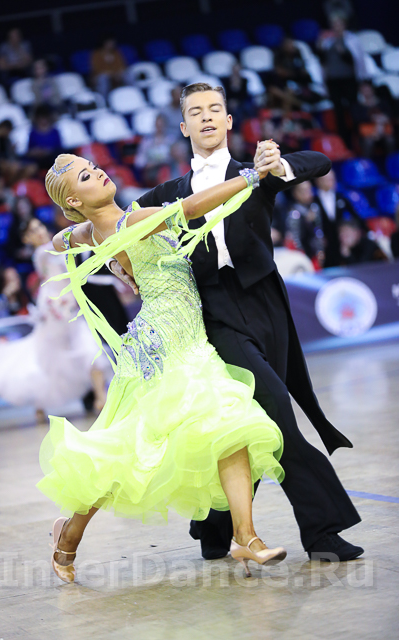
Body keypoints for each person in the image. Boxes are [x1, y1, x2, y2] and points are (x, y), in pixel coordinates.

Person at [114, 82, 363, 563]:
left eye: (215, 109)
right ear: (183, 127)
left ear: (229, 121)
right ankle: (323, 532)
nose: (207, 117)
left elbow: (319, 161)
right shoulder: (168, 194)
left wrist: (278, 164)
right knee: (277, 413)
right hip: (215, 314)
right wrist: (117, 262)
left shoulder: (255, 174)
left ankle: (214, 526)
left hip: (269, 305)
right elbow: (119, 226)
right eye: (196, 112)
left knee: (246, 422)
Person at [37, 153, 288, 583]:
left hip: (188, 342)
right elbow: (190, 208)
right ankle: (69, 533)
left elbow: (59, 241)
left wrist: (104, 251)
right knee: (132, 448)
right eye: (86, 176)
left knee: (229, 427)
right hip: (163, 346)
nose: (99, 171)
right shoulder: (131, 221)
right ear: (75, 200)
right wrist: (252, 177)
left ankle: (246, 536)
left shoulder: (96, 229)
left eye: (94, 166)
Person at [0, 218, 107, 422]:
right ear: (27, 238)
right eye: (33, 230)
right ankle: (41, 403)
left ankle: (100, 398)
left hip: (69, 306)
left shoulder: (51, 248)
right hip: (55, 310)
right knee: (49, 359)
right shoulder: (43, 252)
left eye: (40, 227)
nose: (40, 232)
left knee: (88, 349)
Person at [318, 15, 368, 145]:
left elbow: (357, 61)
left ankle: (360, 139)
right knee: (338, 112)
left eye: (339, 24)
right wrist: (320, 46)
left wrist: (343, 53)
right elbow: (322, 60)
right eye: (334, 25)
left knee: (354, 109)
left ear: (344, 25)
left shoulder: (352, 40)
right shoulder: (327, 41)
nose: (336, 27)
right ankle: (344, 142)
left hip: (349, 80)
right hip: (333, 81)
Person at [314, 169, 367, 267]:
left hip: (340, 241)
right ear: (318, 181)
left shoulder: (341, 198)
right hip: (324, 245)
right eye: (327, 179)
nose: (331, 181)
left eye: (332, 178)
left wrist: (365, 231)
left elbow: (355, 216)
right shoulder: (313, 202)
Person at [285, 181, 326, 269]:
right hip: (302, 255)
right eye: (303, 191)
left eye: (309, 190)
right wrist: (302, 258)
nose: (308, 194)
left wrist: (320, 252)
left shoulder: (315, 208)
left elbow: (319, 232)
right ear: (295, 193)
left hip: (316, 254)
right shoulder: (294, 213)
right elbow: (295, 239)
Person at [27, 106, 62, 172]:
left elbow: (59, 149)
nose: (43, 120)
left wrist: (48, 151)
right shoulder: (33, 133)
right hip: (37, 161)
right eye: (41, 118)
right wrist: (36, 152)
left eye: (45, 118)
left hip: (52, 160)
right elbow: (30, 151)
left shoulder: (55, 132)